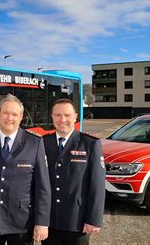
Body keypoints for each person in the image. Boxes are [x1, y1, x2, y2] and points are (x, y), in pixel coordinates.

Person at [0, 94, 51, 245]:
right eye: (5, 113)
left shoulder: (34, 142)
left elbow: (43, 187)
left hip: (21, 222)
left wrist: (42, 222)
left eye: (14, 114)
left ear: (21, 117)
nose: (9, 118)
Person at [42, 99, 105, 245]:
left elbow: (97, 185)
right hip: (49, 221)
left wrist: (93, 219)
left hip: (77, 221)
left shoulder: (90, 144)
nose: (62, 119)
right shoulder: (43, 143)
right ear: (52, 117)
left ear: (75, 117)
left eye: (67, 115)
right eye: (57, 115)